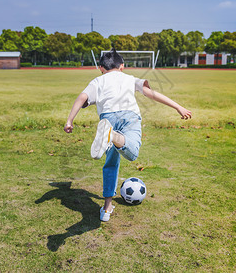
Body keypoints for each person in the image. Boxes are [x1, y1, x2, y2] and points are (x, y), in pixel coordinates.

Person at [64, 48, 192, 222]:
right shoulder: (130, 79)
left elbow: (81, 97)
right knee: (132, 153)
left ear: (101, 67)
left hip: (108, 118)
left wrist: (70, 120)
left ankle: (107, 208)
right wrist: (178, 106)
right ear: (122, 66)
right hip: (129, 117)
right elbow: (151, 94)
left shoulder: (97, 81)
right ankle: (113, 136)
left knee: (111, 164)